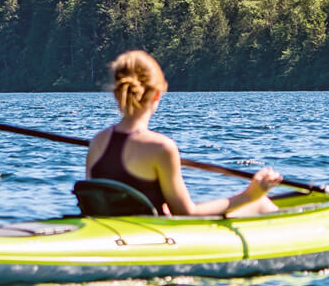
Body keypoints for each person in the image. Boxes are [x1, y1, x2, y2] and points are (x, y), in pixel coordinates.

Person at [85, 50, 281, 216]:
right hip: (152, 237)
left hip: (118, 230)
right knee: (260, 203)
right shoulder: (161, 147)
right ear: (156, 95)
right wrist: (250, 194)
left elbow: (101, 204)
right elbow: (186, 213)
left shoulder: (97, 142)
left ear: (117, 93)